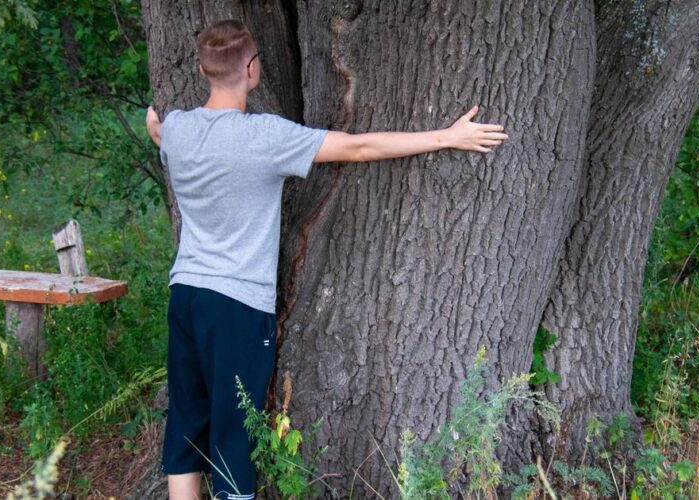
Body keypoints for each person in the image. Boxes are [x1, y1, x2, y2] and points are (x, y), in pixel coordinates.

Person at [145, 19, 507, 500]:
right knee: (235, 433)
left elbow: (159, 131)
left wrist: (156, 125)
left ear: (201, 68)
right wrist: (446, 136)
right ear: (252, 70)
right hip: (235, 306)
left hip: (186, 295)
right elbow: (358, 147)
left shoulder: (179, 129)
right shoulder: (265, 137)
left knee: (187, 425)